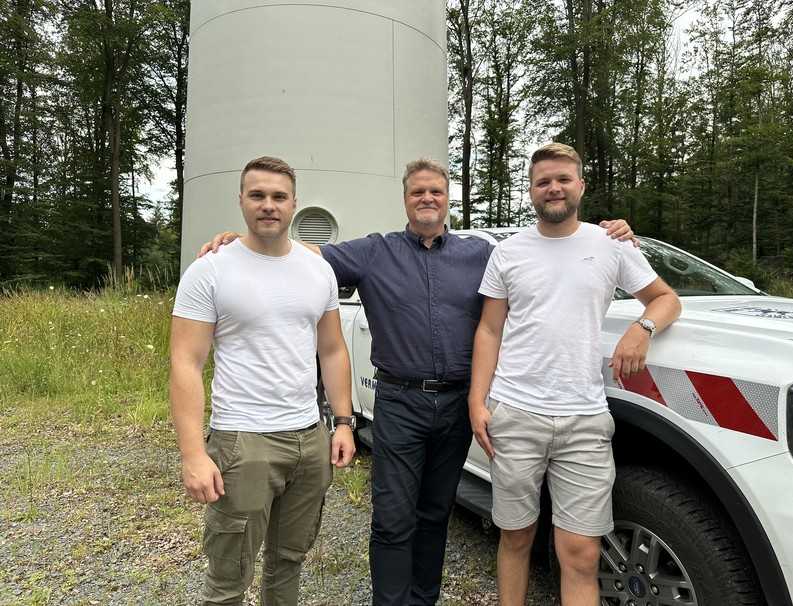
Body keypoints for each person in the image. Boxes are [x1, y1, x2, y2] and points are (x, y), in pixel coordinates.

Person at [199, 157, 635, 606]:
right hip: (400, 402)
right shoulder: (374, 252)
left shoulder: (481, 254)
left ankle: (422, 599)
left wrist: (617, 234)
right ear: (406, 200)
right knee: (392, 517)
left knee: (434, 514)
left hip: (456, 405)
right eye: (417, 192)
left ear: (449, 200)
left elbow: (539, 260)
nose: (427, 199)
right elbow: (303, 254)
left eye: (436, 192)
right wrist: (243, 242)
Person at [468, 142, 681, 606]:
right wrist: (477, 402)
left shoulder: (611, 245)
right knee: (516, 536)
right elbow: (489, 329)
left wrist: (640, 330)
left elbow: (666, 298)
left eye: (563, 178)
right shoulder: (508, 253)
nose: (554, 188)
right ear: (531, 191)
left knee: (581, 552)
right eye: (543, 181)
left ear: (581, 185)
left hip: (584, 419)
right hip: (515, 412)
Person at [170, 155, 356, 606]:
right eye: (257, 195)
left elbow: (331, 349)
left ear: (294, 204)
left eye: (278, 196)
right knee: (229, 576)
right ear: (241, 201)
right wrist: (194, 454)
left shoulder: (317, 269)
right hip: (242, 442)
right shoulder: (211, 269)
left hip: (308, 439)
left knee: (288, 562)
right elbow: (184, 363)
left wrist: (345, 422)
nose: (268, 205)